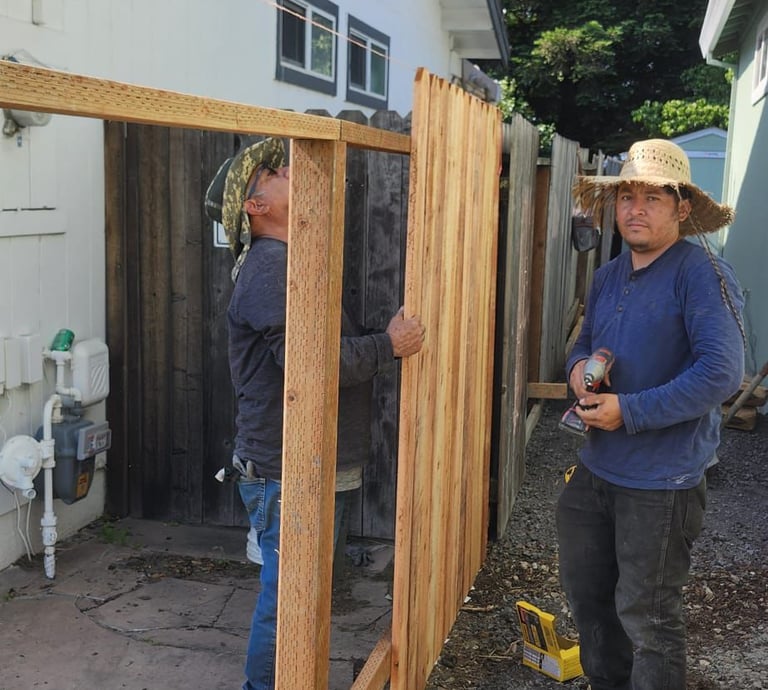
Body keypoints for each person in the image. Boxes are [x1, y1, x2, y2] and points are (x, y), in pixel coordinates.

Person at [205, 137, 425, 690]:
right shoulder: (270, 267)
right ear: (255, 206)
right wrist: (388, 345)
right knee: (289, 601)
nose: (286, 169)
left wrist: (379, 342)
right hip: (288, 469)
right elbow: (311, 366)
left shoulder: (291, 259)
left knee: (307, 595)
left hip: (313, 464)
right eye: (271, 172)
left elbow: (316, 349)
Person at [557, 138, 745, 690]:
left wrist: (630, 411)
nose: (635, 209)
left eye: (652, 198)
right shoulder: (609, 274)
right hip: (598, 467)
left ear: (682, 209)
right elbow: (583, 343)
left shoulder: (702, 273)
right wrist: (578, 370)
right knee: (590, 600)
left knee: (650, 620)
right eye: (627, 197)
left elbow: (721, 373)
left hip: (663, 480)